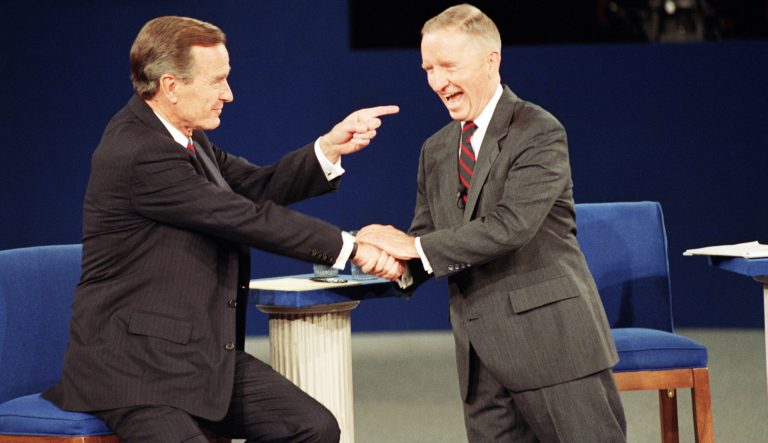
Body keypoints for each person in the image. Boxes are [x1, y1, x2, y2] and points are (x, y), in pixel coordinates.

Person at [43, 16, 402, 443]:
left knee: (313, 428)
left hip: (195, 358)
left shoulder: (185, 138)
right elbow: (244, 216)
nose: (228, 95)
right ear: (171, 86)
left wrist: (328, 147)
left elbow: (257, 187)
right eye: (217, 82)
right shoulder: (138, 151)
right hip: (136, 371)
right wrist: (352, 249)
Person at [358, 4, 627, 442]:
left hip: (552, 346)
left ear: (491, 60)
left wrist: (414, 248)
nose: (437, 81)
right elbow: (428, 237)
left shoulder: (539, 131)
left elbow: (511, 226)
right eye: (428, 68)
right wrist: (393, 262)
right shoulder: (436, 150)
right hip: (479, 360)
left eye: (448, 65)